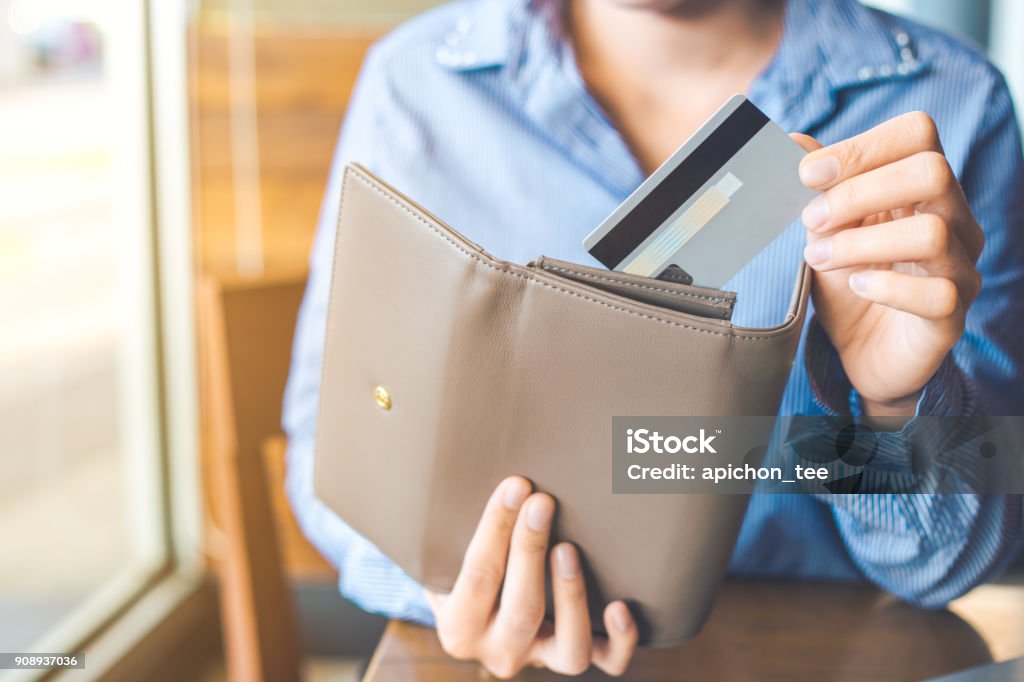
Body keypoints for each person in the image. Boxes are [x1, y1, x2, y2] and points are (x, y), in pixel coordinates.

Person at [283, 0, 1024, 676]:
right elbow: (328, 435)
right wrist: (445, 581)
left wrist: (890, 406)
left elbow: (955, 561)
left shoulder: (950, 104)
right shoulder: (416, 85)